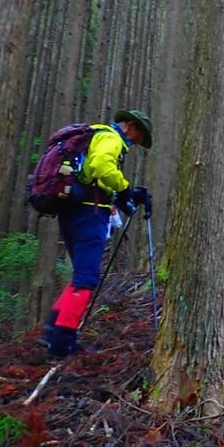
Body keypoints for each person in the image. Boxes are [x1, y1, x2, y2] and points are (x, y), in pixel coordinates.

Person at [43, 109, 153, 357]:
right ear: (130, 126)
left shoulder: (95, 135)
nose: (135, 142)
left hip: (72, 210)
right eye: (138, 136)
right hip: (89, 214)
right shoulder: (111, 138)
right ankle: (62, 342)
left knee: (81, 275)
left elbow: (94, 173)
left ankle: (52, 330)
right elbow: (101, 165)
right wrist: (125, 189)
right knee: (86, 277)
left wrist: (124, 195)